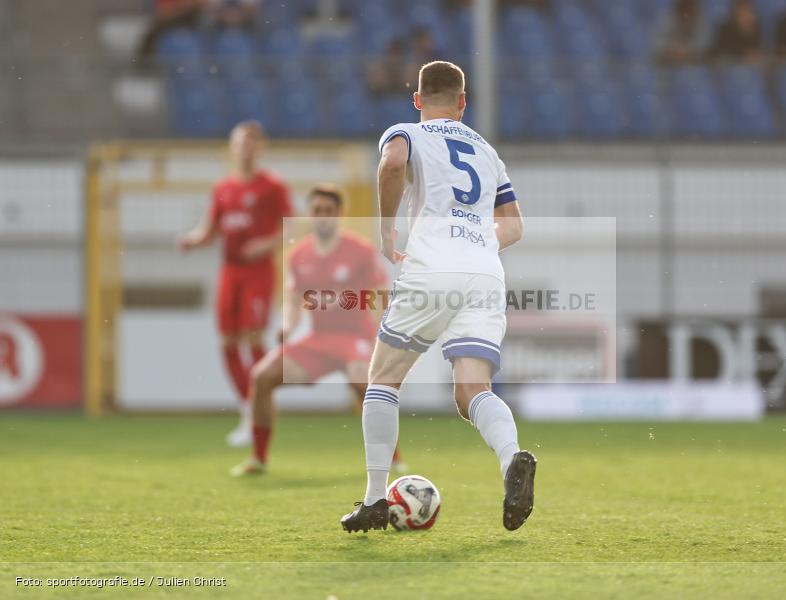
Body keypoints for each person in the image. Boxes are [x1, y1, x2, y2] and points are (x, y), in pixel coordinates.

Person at [339, 61, 536, 533]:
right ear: (464, 102)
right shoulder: (488, 152)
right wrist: (477, 243)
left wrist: (386, 229)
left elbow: (391, 165)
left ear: (418, 98)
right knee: (472, 392)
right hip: (485, 272)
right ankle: (512, 457)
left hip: (431, 268)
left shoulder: (404, 130)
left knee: (383, 379)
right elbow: (513, 226)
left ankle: (372, 500)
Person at [229, 185, 407, 476]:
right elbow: (294, 299)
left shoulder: (359, 250)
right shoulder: (299, 256)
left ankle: (393, 457)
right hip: (320, 340)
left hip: (355, 338)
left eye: (329, 211)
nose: (323, 217)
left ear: (339, 214)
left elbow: (380, 291)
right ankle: (258, 458)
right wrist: (288, 326)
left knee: (365, 385)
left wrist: (381, 333)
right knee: (262, 377)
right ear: (310, 214)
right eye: (317, 211)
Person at [179, 121, 292, 447]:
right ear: (231, 147)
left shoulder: (272, 186)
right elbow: (209, 230)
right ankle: (248, 408)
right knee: (227, 343)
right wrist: (192, 240)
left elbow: (291, 226)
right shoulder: (223, 188)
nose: (245, 149)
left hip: (258, 272)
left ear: (261, 148)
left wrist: (267, 244)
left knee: (252, 338)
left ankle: (259, 407)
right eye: (240, 143)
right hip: (229, 272)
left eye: (251, 143)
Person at [656, 0, 710, 65]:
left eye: (689, 7)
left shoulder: (701, 22)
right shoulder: (668, 20)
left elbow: (704, 44)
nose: (687, 10)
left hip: (694, 61)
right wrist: (674, 51)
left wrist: (686, 52)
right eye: (685, 6)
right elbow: (658, 41)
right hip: (669, 59)